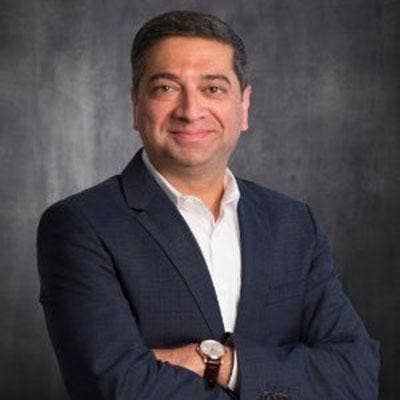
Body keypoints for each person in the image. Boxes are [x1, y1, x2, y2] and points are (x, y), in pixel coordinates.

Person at [37, 10, 380, 400]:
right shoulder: (80, 225)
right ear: (136, 104)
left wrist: (217, 362)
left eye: (213, 88)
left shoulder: (293, 223)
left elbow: (357, 377)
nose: (190, 110)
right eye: (166, 88)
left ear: (243, 106)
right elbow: (117, 388)